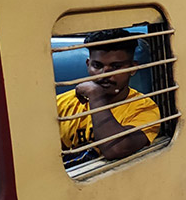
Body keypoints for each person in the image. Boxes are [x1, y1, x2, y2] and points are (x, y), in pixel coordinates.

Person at [56, 29, 160, 169]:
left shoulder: (145, 109)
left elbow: (115, 149)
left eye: (116, 67)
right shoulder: (62, 103)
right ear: (88, 65)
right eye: (97, 66)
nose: (105, 74)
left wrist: (95, 96)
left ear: (132, 68)